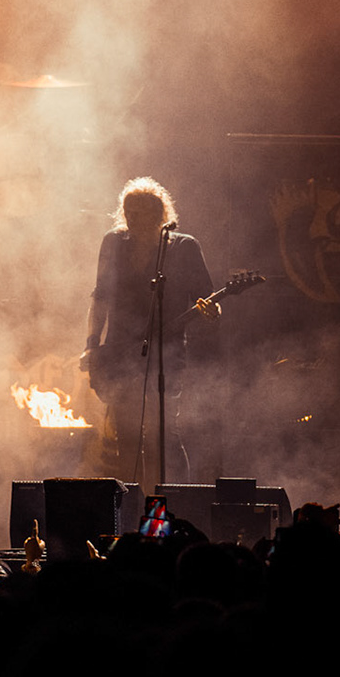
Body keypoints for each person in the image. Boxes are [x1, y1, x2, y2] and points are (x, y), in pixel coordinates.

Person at [80, 176, 216, 482]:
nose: (132, 219)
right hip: (118, 354)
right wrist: (91, 344)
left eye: (140, 212)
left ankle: (163, 507)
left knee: (162, 436)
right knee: (125, 438)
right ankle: (129, 513)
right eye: (128, 212)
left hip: (164, 358)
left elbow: (206, 297)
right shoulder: (113, 243)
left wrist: (213, 311)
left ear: (160, 215)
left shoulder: (183, 247)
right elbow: (100, 296)